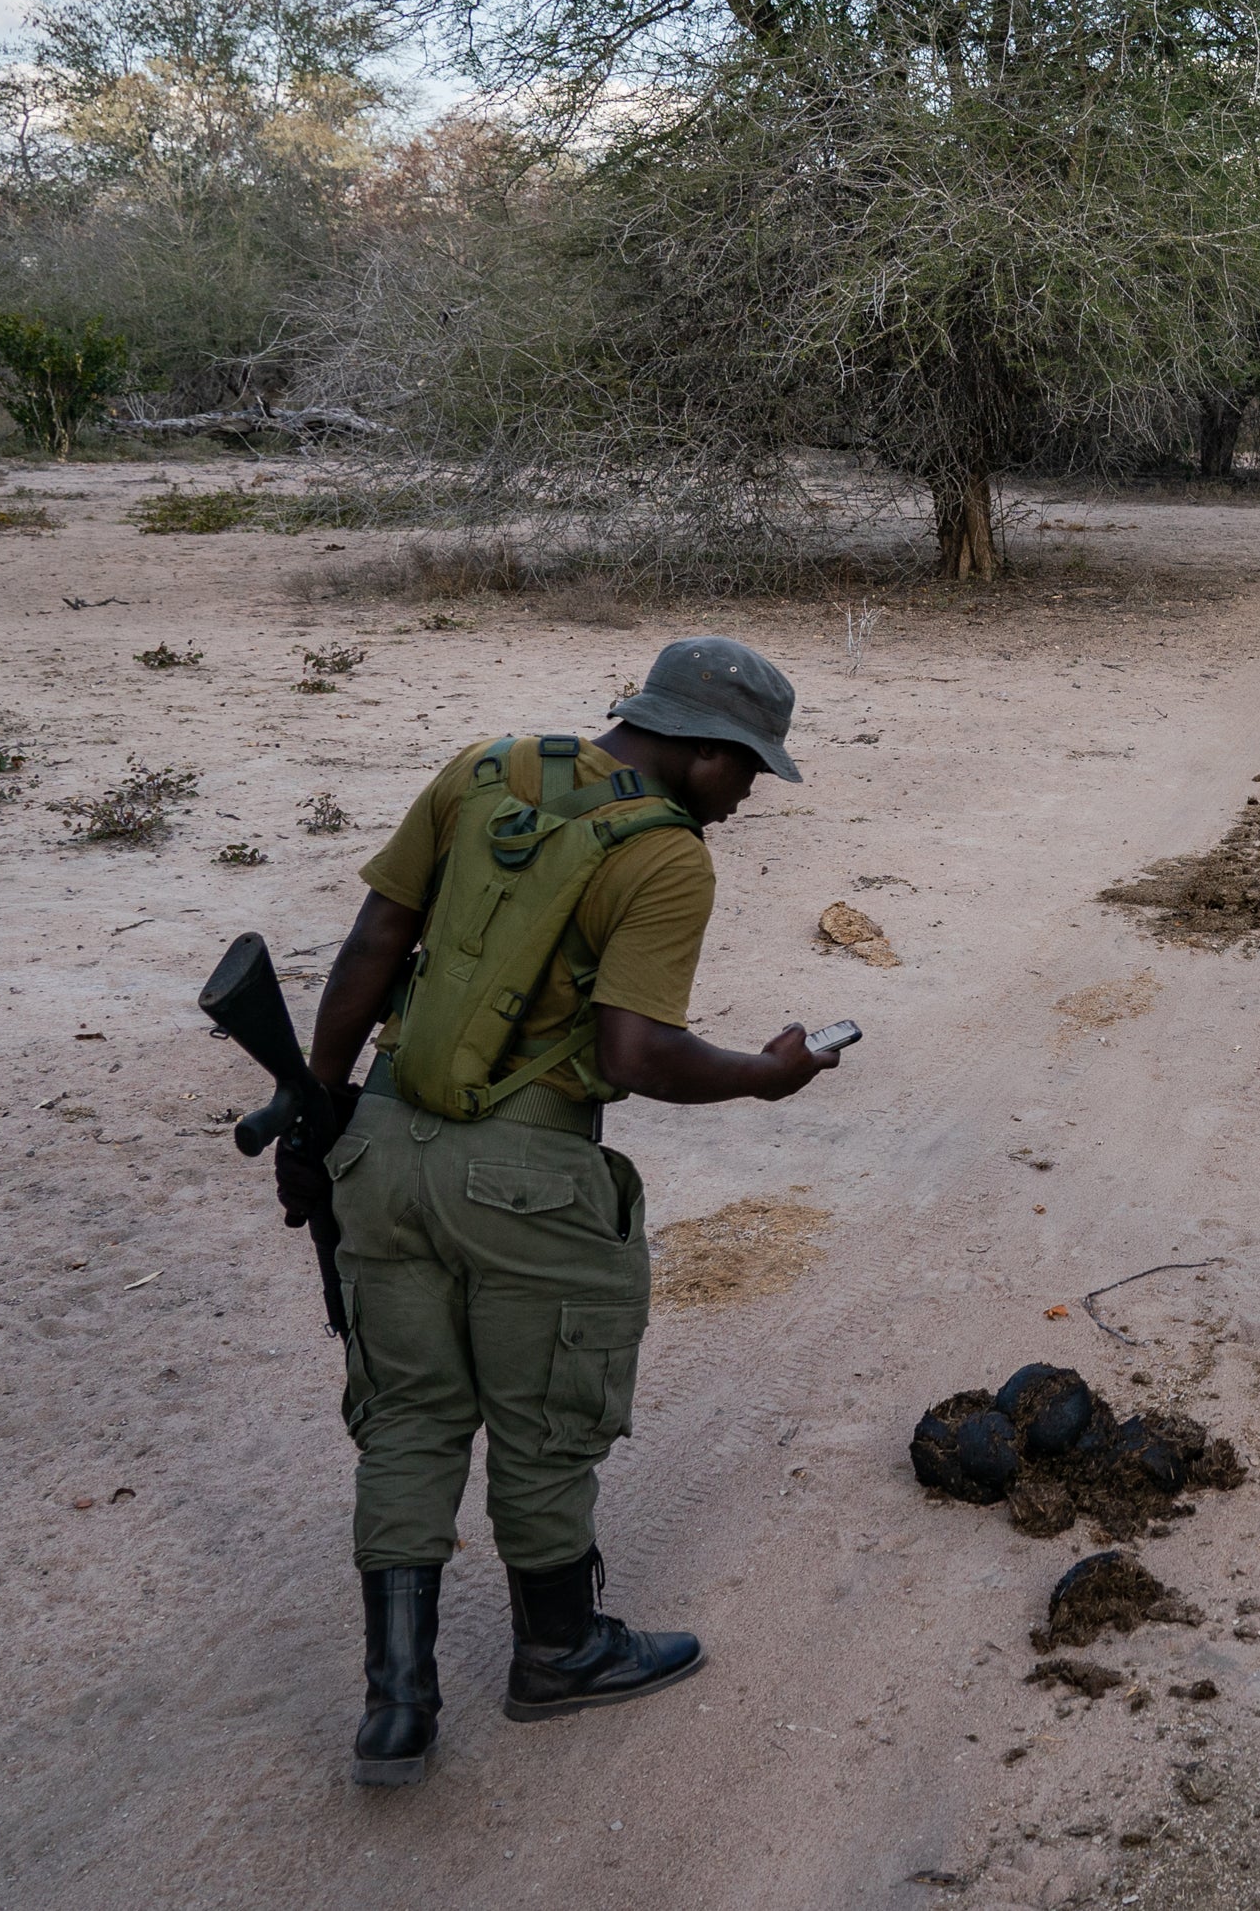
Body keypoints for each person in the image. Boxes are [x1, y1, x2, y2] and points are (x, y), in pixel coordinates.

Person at [288, 635, 848, 1787]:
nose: (746, 796)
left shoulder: (479, 770)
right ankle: (558, 1649)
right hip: (529, 1174)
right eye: (746, 770)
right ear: (699, 752)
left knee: (407, 1415)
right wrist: (764, 1072)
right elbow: (633, 1052)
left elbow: (372, 941)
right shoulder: (668, 860)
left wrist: (317, 1109)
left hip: (383, 1146)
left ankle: (396, 1702)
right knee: (545, 1414)